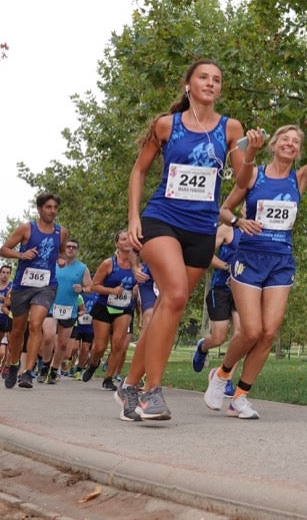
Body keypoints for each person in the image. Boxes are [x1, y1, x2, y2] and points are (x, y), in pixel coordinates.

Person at [115, 60, 247, 422]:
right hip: (162, 220)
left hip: (202, 229)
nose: (211, 83)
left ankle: (128, 386)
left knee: (166, 311)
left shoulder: (230, 128)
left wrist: (250, 154)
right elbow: (139, 170)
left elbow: (243, 179)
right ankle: (152, 394)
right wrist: (133, 217)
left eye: (217, 79)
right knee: (172, 295)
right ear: (188, 84)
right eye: (203, 77)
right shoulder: (166, 125)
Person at [205, 86, 307, 419]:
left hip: (280, 262)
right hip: (248, 258)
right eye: (286, 140)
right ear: (274, 145)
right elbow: (223, 209)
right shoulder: (255, 176)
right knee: (249, 331)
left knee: (268, 332)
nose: (291, 145)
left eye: (297, 142)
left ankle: (240, 396)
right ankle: (221, 375)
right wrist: (239, 222)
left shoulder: (299, 178)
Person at [0, 191, 68, 389]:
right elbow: (3, 250)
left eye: (55, 208)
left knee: (36, 324)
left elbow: (61, 251)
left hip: (46, 286)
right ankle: (13, 364)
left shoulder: (61, 232)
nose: (52, 211)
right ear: (39, 209)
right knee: (19, 330)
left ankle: (28, 372)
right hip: (23, 285)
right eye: (48, 207)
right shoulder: (27, 228)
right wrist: (21, 255)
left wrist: (61, 260)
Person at [85, 231, 143, 391]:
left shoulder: (137, 265)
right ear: (117, 244)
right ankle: (93, 363)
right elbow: (94, 286)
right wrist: (111, 291)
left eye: (128, 239)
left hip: (124, 308)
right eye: (123, 239)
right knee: (100, 347)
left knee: (118, 344)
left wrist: (137, 289)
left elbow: (141, 283)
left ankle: (108, 379)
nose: (127, 242)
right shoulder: (108, 264)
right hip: (104, 307)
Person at [191, 223, 242, 377]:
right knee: (218, 338)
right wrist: (228, 267)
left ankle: (225, 379)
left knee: (241, 336)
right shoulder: (227, 229)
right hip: (221, 289)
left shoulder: (261, 234)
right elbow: (204, 253)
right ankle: (203, 347)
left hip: (244, 291)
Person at [40, 238, 91, 384]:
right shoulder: (53, 264)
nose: (70, 249)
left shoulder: (82, 268)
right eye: (68, 246)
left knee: (63, 344)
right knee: (49, 336)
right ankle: (44, 366)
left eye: (74, 247)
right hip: (51, 305)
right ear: (63, 249)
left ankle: (54, 369)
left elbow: (89, 287)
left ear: (77, 250)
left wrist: (82, 289)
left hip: (69, 309)